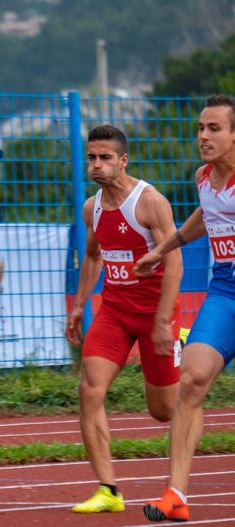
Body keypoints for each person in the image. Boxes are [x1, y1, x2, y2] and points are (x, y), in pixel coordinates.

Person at [65, 125, 183, 514]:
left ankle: (185, 347)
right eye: (91, 157)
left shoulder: (149, 202)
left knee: (163, 411)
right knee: (89, 389)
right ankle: (108, 490)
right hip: (114, 312)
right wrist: (81, 304)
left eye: (105, 158)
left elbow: (174, 259)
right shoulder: (92, 207)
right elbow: (94, 256)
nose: (96, 165)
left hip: (155, 316)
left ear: (123, 160)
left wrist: (164, 321)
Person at [136, 94, 235, 523]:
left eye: (214, 129)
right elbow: (205, 215)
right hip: (226, 292)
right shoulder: (203, 178)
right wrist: (162, 249)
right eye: (200, 128)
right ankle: (175, 495)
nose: (203, 137)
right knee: (191, 380)